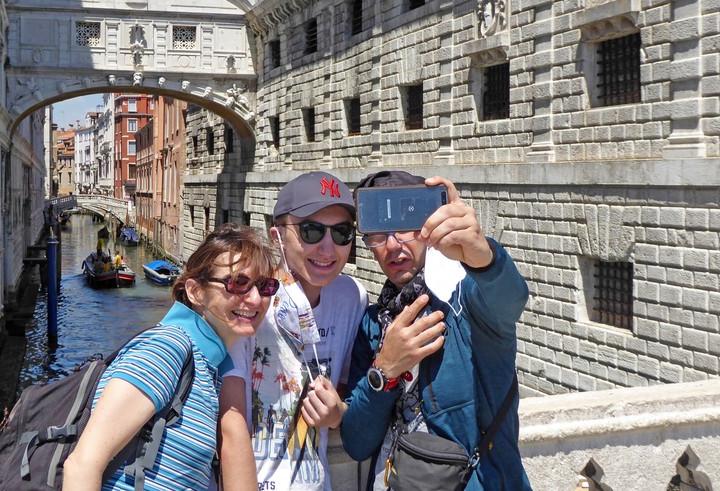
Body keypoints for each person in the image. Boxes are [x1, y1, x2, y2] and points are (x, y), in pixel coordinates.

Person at [341, 171, 532, 490]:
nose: (392, 245)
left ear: (428, 228)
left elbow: (511, 299)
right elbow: (356, 442)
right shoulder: (374, 323)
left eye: (405, 227)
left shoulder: (466, 299)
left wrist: (482, 255)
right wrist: (385, 370)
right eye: (377, 234)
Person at [63, 223, 281, 490]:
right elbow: (82, 465)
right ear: (195, 291)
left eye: (265, 286)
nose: (256, 298)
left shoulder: (211, 365)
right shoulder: (167, 348)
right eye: (238, 283)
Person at [216, 171, 370, 491]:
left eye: (342, 232)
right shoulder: (249, 303)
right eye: (311, 231)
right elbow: (229, 425)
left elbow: (344, 392)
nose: (329, 249)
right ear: (278, 237)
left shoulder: (353, 297)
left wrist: (338, 413)